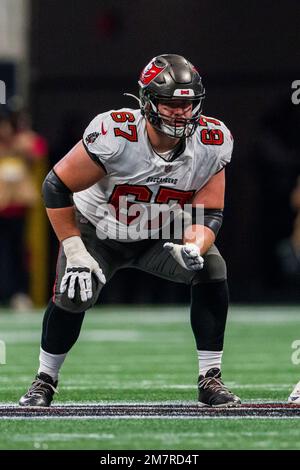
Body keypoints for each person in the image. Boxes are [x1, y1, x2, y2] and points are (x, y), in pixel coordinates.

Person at [19, 54, 241, 408]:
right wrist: (75, 250)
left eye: (188, 104)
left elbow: (210, 209)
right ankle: (44, 379)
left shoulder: (212, 140)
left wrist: (196, 245)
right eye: (171, 103)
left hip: (160, 233)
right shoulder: (117, 135)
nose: (181, 112)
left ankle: (210, 379)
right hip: (99, 234)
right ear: (147, 101)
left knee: (212, 268)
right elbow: (55, 186)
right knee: (75, 294)